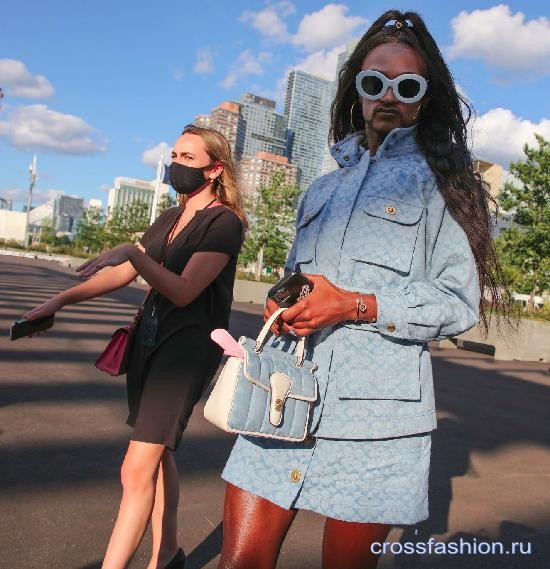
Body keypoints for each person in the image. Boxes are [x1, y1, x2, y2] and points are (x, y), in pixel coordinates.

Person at [218, 10, 509, 569]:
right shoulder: (320, 189)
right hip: (281, 396)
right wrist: (288, 301)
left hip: (377, 426)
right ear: (357, 90)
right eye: (375, 83)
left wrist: (354, 305)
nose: (389, 97)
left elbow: (458, 302)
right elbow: (294, 275)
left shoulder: (443, 186)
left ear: (424, 97)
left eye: (407, 85)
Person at [24, 125, 246, 569]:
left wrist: (131, 252)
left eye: (188, 158)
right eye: (175, 155)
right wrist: (60, 299)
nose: (176, 164)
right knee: (157, 456)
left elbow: (184, 290)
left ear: (215, 168)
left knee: (134, 469)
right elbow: (124, 273)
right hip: (149, 341)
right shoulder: (171, 216)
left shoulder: (224, 222)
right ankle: (167, 555)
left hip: (184, 353)